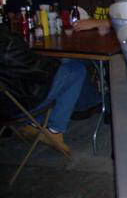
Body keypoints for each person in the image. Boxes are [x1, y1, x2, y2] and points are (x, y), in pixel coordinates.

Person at [0, 24, 86, 156]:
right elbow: (39, 70)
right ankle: (54, 130)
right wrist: (55, 62)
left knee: (61, 69)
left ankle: (34, 124)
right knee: (75, 69)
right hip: (15, 106)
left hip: (9, 101)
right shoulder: (6, 44)